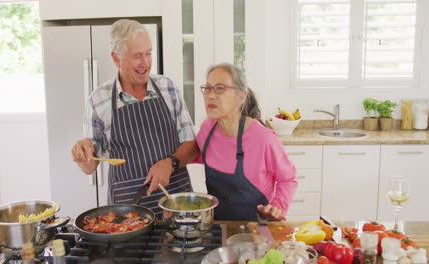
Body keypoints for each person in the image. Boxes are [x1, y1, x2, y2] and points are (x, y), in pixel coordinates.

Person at [71, 19, 198, 216]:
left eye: (148, 53)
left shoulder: (168, 88)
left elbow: (191, 146)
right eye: (137, 56)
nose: (146, 63)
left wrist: (170, 163)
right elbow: (90, 167)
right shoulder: (99, 100)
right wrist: (81, 154)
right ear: (116, 59)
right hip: (127, 213)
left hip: (175, 205)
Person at [196, 63, 298, 221]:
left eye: (220, 88)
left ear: (241, 96)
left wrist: (277, 206)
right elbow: (193, 154)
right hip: (218, 228)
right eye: (207, 88)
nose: (211, 95)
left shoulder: (263, 138)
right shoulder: (207, 130)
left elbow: (288, 179)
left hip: (258, 231)